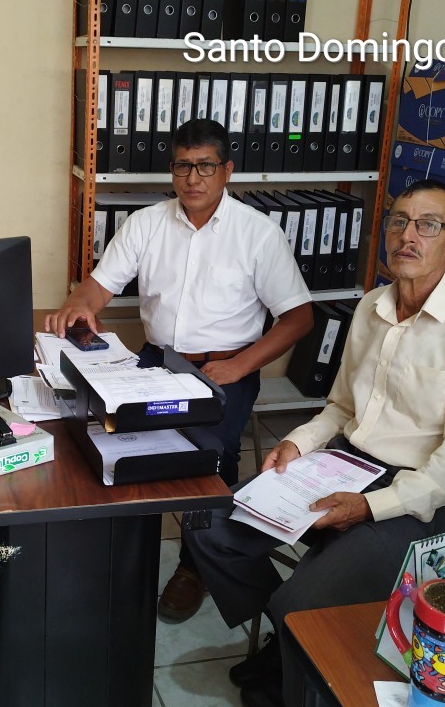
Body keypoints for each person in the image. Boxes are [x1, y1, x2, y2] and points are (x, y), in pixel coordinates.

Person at [184, 179, 445, 707]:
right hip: (343, 462)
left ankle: (297, 672)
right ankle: (289, 642)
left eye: (428, 225)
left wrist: (368, 506)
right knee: (207, 525)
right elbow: (341, 407)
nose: (408, 236)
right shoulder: (369, 307)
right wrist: (296, 444)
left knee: (300, 599)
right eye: (398, 221)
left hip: (416, 498)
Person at [45, 118, 313, 622]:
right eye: (183, 166)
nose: (193, 178)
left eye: (205, 166)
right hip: (157, 359)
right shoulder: (145, 223)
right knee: (109, 436)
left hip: (226, 365)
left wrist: (239, 365)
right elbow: (99, 287)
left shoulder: (258, 233)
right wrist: (78, 303)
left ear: (227, 170)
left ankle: (195, 566)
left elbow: (299, 318)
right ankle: (126, 545)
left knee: (212, 453)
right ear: (172, 170)